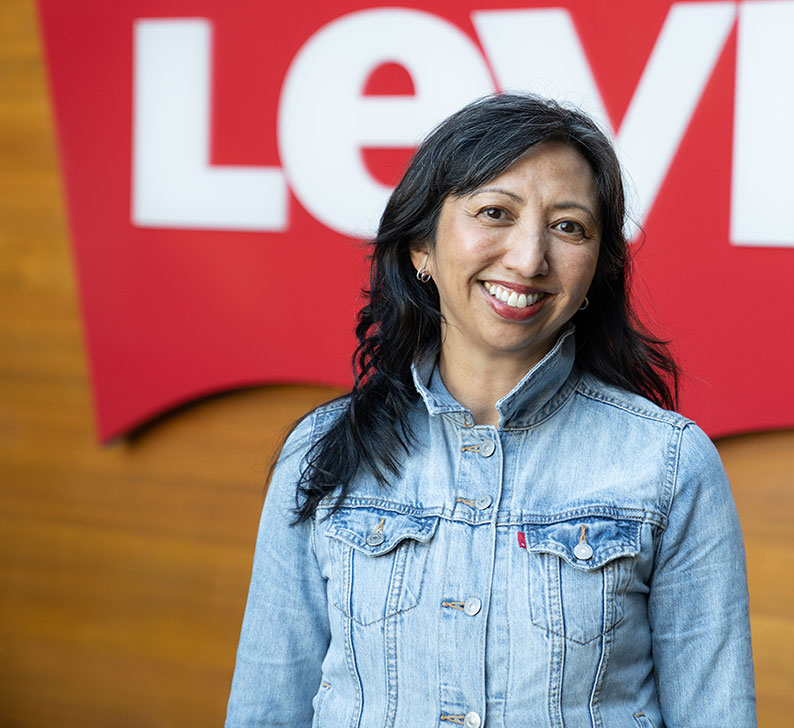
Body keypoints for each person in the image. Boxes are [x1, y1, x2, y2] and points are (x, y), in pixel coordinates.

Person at [225, 93, 756, 728]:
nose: (529, 258)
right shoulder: (323, 451)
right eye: (495, 212)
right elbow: (267, 707)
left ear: (596, 271)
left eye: (568, 226)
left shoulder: (669, 465)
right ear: (421, 246)